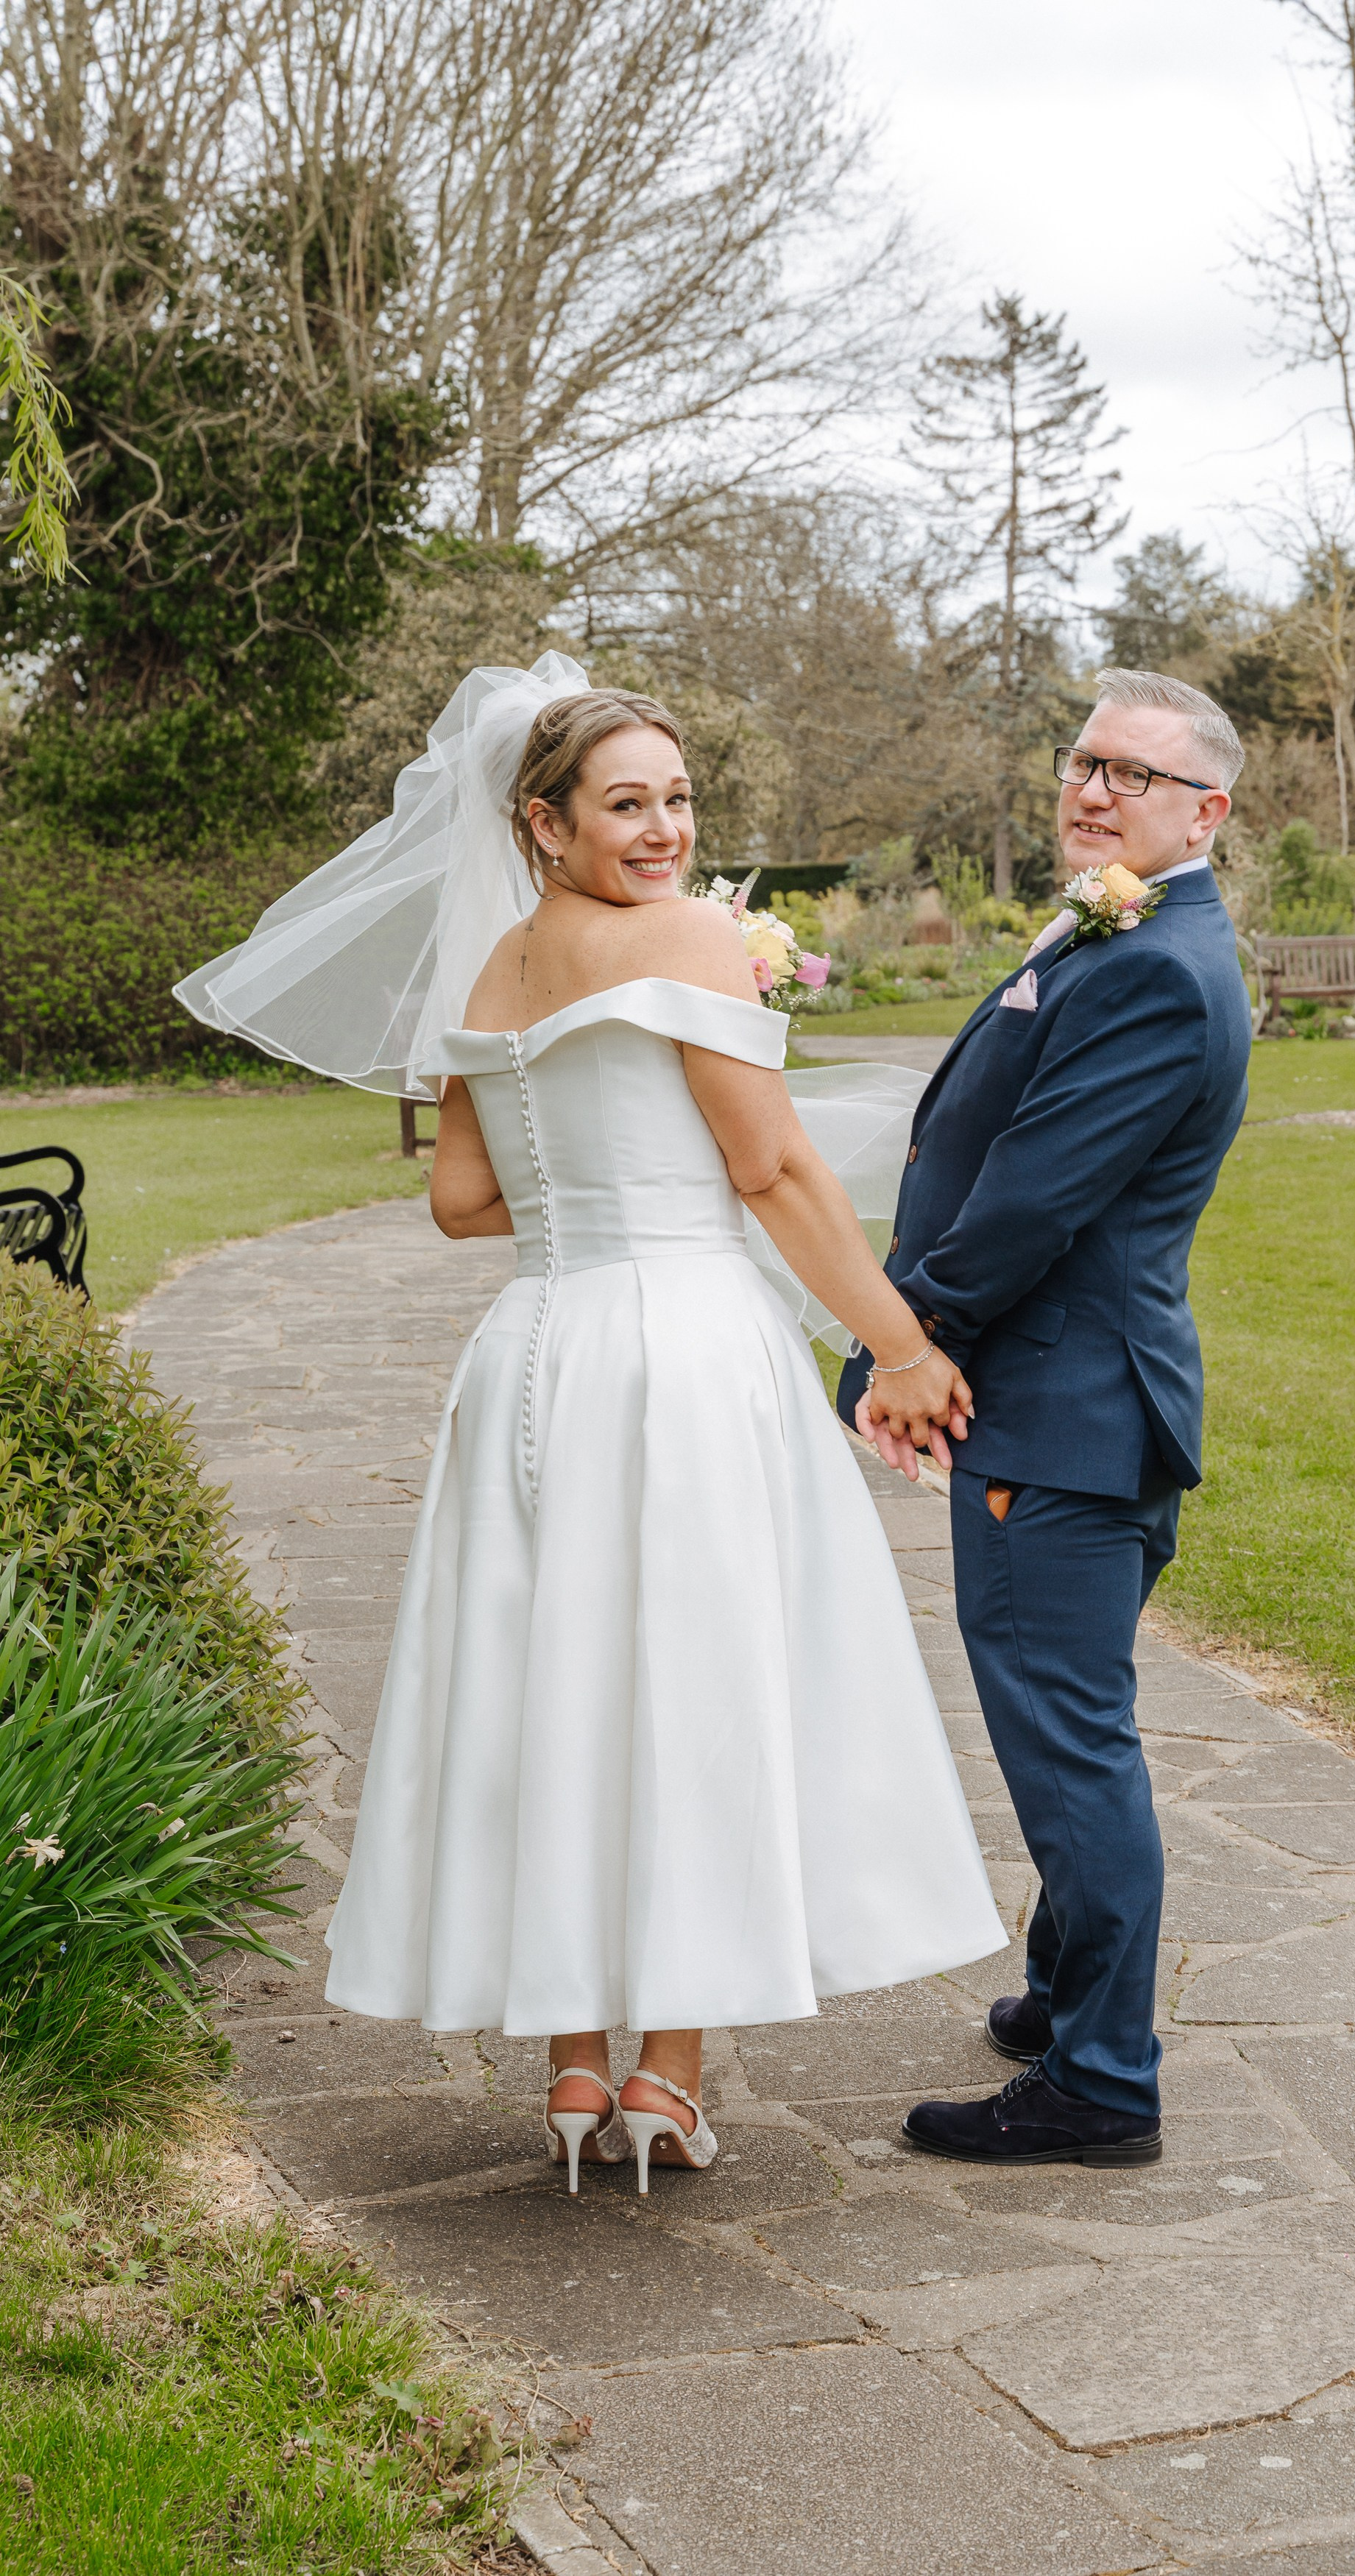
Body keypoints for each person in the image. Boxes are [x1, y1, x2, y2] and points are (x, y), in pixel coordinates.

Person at [177, 664, 1003, 2195]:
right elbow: (768, 1176)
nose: (667, 829)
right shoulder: (693, 941)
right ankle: (664, 2079)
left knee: (550, 1675)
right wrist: (895, 1344)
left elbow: (459, 1203)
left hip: (535, 1355)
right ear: (541, 821)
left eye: (678, 799)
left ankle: (569, 2060)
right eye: (627, 803)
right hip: (682, 1351)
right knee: (688, 1683)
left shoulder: (490, 969)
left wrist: (604, 1184)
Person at [841, 668, 1251, 2170]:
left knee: (1070, 1746)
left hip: (1062, 1410)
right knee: (1068, 1725)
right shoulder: (1118, 921)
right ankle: (1063, 1989)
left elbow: (1029, 1199)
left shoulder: (1154, 960)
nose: (1092, 787)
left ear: (1204, 811)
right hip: (1079, 1396)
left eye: (1131, 774)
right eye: (1083, 759)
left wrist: (898, 1340)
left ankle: (1101, 2084)